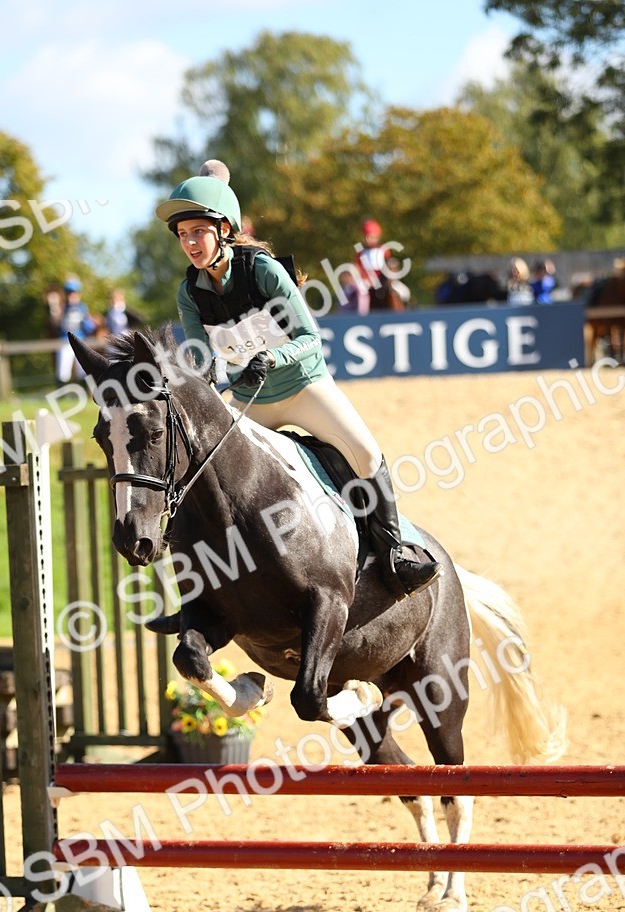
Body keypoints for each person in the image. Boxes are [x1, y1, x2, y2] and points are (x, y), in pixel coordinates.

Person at [154, 160, 441, 599]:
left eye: (198, 231)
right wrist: (222, 373)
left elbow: (310, 337)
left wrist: (271, 356)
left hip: (304, 388)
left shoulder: (263, 271)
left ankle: (396, 552)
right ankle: (199, 594)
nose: (189, 243)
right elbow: (199, 356)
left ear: (224, 229)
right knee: (203, 476)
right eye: (182, 235)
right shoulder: (188, 293)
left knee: (364, 453)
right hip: (251, 402)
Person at [56, 279, 97, 384]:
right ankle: (61, 395)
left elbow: (89, 327)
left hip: (79, 340)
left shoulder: (82, 308)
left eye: (74, 293)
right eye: (69, 293)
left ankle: (88, 394)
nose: (72, 295)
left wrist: (88, 321)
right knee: (63, 371)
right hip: (65, 340)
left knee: (83, 370)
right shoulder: (62, 307)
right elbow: (56, 325)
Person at [354, 219, 392, 314]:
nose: (367, 239)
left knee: (402, 292)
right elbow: (359, 269)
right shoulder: (360, 253)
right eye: (366, 236)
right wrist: (366, 280)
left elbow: (388, 267)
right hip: (368, 284)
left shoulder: (383, 250)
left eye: (370, 236)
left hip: (383, 283)